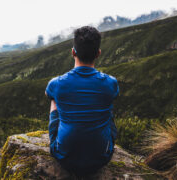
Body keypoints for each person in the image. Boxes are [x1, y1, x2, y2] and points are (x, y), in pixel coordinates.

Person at [45, 26, 119, 176]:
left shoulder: (56, 83)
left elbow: (48, 94)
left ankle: (63, 141)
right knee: (106, 104)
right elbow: (113, 96)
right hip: (101, 158)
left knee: (54, 100)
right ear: (98, 54)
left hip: (64, 157)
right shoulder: (111, 83)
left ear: (73, 52)